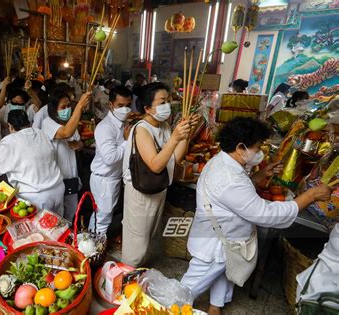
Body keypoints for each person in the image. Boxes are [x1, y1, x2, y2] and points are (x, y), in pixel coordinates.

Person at [180, 117, 331, 315]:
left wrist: (260, 176)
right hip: (216, 245)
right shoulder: (229, 178)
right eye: (258, 148)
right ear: (241, 147)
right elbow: (264, 214)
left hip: (224, 240)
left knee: (224, 272)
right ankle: (159, 307)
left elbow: (236, 197)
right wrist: (309, 196)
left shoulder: (224, 161)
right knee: (184, 291)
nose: (260, 153)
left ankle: (215, 307)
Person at [121, 82, 198, 267]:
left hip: (158, 189)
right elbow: (155, 165)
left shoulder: (163, 125)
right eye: (162, 101)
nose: (168, 105)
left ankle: (137, 277)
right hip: (140, 193)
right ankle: (123, 283)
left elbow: (175, 158)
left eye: (168, 100)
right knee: (136, 246)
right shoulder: (141, 129)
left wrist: (185, 134)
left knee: (148, 238)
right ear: (148, 108)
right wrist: (174, 138)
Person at [0, 110, 65, 214]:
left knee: (39, 228)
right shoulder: (41, 133)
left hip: (35, 196)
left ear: (10, 126)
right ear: (28, 123)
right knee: (58, 226)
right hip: (57, 190)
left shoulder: (10, 141)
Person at [89, 86, 133, 235]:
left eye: (128, 105)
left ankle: (90, 245)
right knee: (102, 219)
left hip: (112, 179)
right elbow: (110, 158)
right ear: (110, 105)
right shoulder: (105, 127)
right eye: (120, 105)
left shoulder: (123, 124)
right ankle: (94, 252)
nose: (125, 109)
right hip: (104, 180)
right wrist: (127, 142)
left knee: (101, 216)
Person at [42, 91, 91, 220]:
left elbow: (78, 141)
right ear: (54, 109)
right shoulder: (48, 123)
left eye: (69, 106)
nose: (67, 110)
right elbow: (65, 133)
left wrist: (78, 145)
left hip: (71, 175)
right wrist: (79, 106)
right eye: (63, 107)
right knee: (57, 214)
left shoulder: (71, 122)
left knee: (71, 211)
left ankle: (69, 236)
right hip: (56, 177)